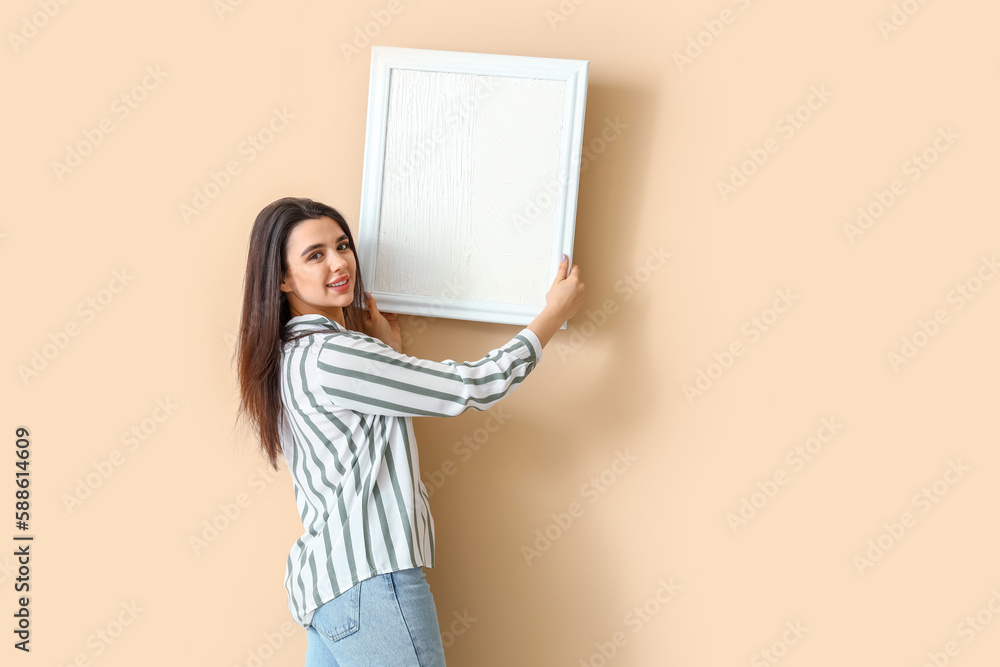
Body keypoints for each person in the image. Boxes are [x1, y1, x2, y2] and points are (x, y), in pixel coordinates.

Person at [234, 196, 585, 666]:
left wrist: (387, 354)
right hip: (372, 582)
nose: (339, 263)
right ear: (280, 278)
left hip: (327, 593)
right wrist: (551, 318)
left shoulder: (289, 359)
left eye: (342, 246)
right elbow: (472, 386)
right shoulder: (333, 355)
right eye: (314, 255)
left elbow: (360, 435)